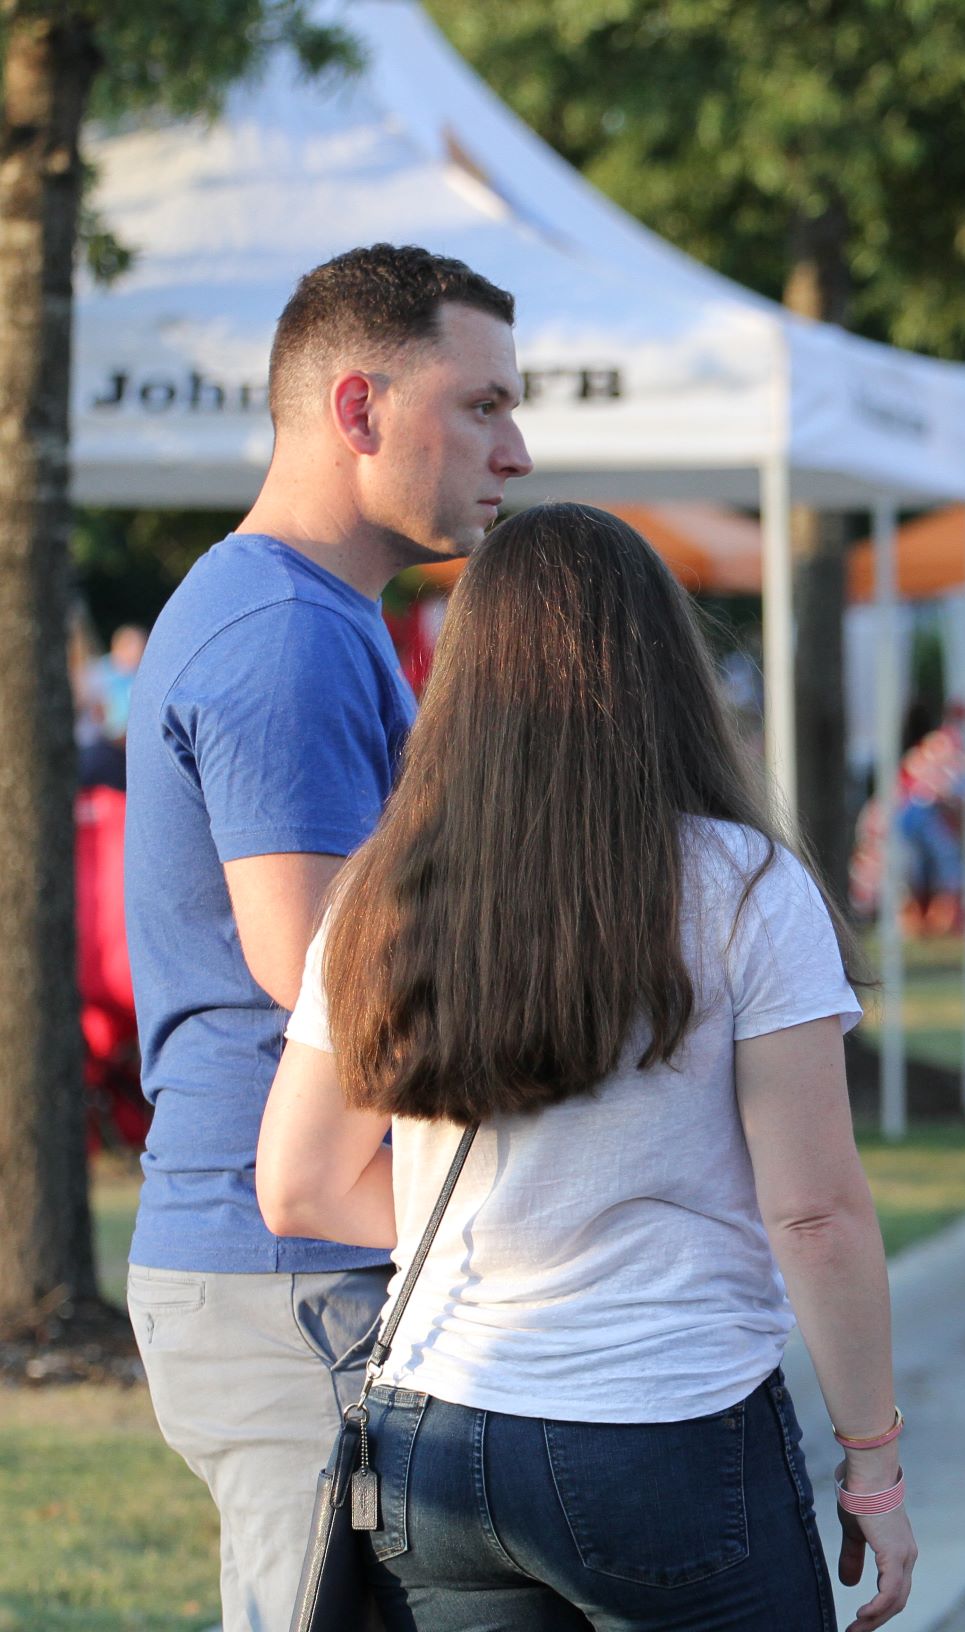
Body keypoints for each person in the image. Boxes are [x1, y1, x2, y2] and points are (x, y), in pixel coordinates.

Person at [256, 502, 913, 1629]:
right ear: (663, 664)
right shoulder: (742, 886)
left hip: (439, 1434)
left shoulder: (375, 893)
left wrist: (513, 1234)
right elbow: (814, 1215)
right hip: (666, 1427)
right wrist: (875, 1466)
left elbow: (298, 1184)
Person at [119, 243, 531, 1628]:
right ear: (358, 409)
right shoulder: (286, 632)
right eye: (480, 406)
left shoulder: (302, 611)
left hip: (286, 1262)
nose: (515, 449)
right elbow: (317, 968)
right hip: (289, 1269)